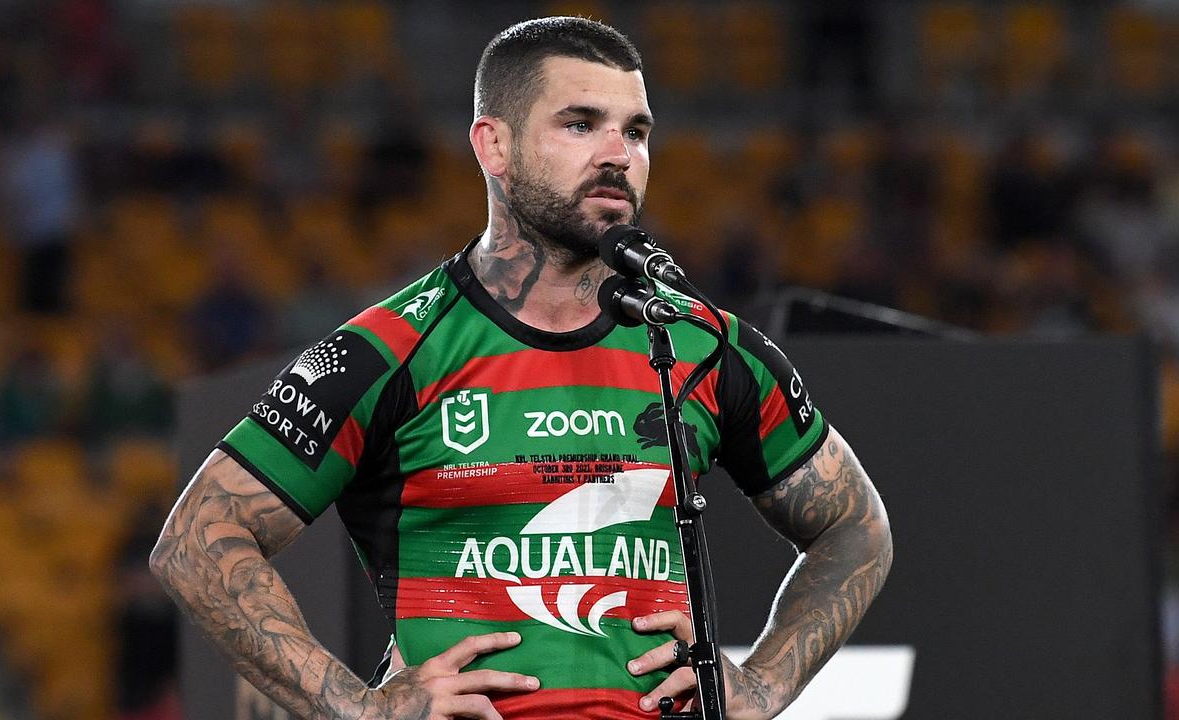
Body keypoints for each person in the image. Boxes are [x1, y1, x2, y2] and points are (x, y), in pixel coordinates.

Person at [151, 16, 892, 720]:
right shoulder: (392, 348)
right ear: (493, 145)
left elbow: (857, 528)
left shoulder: (697, 343)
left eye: (635, 132)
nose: (617, 153)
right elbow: (196, 541)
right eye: (580, 124)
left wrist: (761, 685)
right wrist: (356, 706)